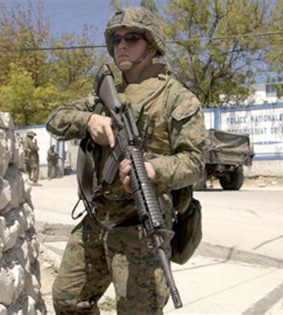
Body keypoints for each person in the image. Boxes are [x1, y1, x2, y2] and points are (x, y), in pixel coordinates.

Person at [45, 7, 206, 314]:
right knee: (67, 299)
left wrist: (152, 169)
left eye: (132, 37)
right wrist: (89, 120)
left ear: (152, 43)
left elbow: (194, 162)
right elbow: (55, 119)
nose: (121, 44)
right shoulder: (106, 96)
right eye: (116, 38)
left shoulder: (176, 98)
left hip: (140, 225)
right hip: (99, 217)